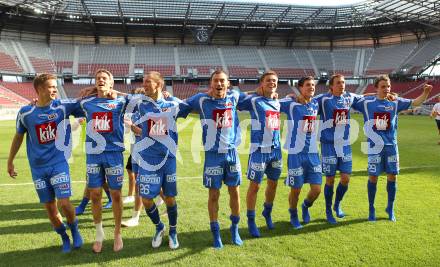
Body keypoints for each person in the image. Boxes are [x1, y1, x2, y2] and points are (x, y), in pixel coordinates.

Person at [7, 73, 83, 253]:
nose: (55, 89)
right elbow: (18, 137)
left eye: (55, 86)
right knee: (50, 208)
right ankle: (64, 237)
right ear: (40, 89)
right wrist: (10, 161)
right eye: (51, 86)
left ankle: (74, 230)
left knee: (64, 204)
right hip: (38, 168)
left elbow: (89, 104)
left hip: (58, 163)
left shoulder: (62, 107)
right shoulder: (26, 113)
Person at [352, 75, 432, 222]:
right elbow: (351, 100)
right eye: (383, 86)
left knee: (392, 177)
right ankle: (371, 208)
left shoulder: (395, 102)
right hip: (374, 147)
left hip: (391, 147)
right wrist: (369, 94)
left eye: (388, 86)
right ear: (376, 88)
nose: (387, 89)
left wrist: (426, 93)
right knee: (373, 177)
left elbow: (415, 103)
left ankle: (390, 208)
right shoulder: (367, 103)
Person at [179, 70, 244, 249]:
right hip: (213, 156)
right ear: (211, 84)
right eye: (216, 81)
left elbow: (257, 95)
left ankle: (234, 229)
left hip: (232, 154)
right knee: (214, 194)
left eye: (222, 81)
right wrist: (166, 95)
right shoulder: (201, 99)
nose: (219, 84)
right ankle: (216, 233)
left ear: (228, 83)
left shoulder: (235, 97)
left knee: (235, 192)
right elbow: (179, 106)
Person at [76, 69, 130, 253]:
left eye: (104, 78)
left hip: (114, 153)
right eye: (98, 79)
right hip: (93, 154)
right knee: (96, 195)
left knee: (115, 195)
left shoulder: (121, 101)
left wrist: (117, 92)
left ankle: (117, 234)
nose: (101, 80)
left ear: (111, 82)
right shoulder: (86, 103)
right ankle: (99, 234)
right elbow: (63, 105)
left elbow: (140, 98)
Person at [314, 74, 363, 224]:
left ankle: (337, 204)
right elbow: (307, 101)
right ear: (331, 86)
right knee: (329, 179)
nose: (342, 85)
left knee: (345, 178)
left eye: (343, 82)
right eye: (338, 83)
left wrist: (387, 95)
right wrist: (292, 97)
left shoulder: (349, 97)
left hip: (344, 144)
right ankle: (328, 210)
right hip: (328, 144)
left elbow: (364, 97)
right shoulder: (323, 99)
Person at [237, 71, 281, 237]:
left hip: (275, 150)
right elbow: (235, 97)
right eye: (268, 80)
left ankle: (267, 213)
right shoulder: (254, 100)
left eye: (274, 81)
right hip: (258, 150)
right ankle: (251, 220)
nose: (272, 83)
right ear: (262, 83)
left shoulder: (277, 101)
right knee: (255, 186)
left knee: (273, 183)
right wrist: (253, 92)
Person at [280, 76, 321, 229]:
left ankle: (305, 206)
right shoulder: (291, 104)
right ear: (300, 88)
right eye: (308, 85)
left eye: (313, 85)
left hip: (312, 152)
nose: (311, 87)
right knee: (296, 189)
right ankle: (293, 214)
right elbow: (272, 102)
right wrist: (287, 97)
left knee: (317, 189)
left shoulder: (316, 103)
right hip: (296, 153)